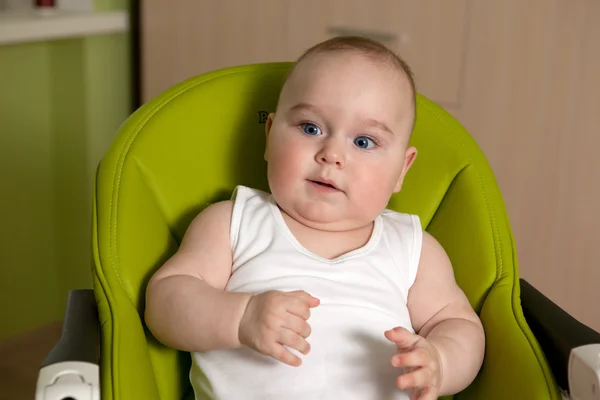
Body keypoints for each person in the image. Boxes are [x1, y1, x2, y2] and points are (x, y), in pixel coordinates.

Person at [144, 36, 485, 400]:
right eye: (311, 128)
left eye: (364, 142)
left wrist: (441, 361)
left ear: (402, 169)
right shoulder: (234, 223)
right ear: (270, 134)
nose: (332, 154)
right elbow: (165, 301)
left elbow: (459, 325)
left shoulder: (413, 250)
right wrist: (240, 317)